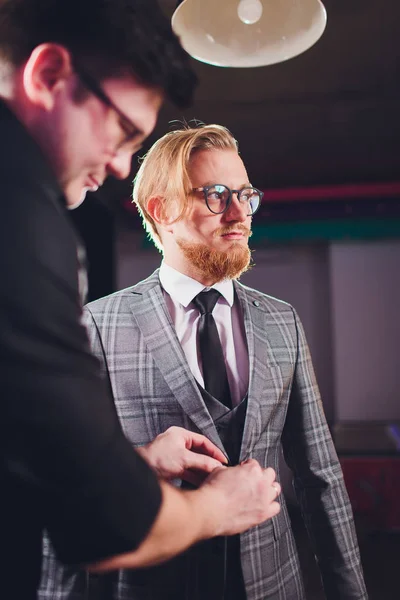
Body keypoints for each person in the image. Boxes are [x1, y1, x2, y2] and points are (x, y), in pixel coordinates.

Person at [0, 2, 282, 598]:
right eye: (124, 131)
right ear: (49, 75)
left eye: (245, 196)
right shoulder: (22, 218)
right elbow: (102, 525)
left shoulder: (282, 321)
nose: (121, 164)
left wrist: (135, 461)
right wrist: (217, 509)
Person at [39, 123, 369, 600]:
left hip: (274, 585)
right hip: (153, 585)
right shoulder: (98, 326)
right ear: (162, 211)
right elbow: (67, 485)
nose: (239, 214)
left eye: (245, 195)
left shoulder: (282, 321)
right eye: (215, 195)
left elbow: (321, 478)